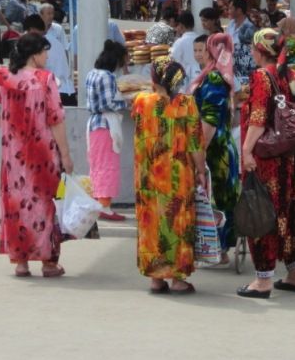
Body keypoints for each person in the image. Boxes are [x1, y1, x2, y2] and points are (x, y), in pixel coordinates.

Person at [0, 33, 73, 278]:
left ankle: (21, 263)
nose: (47, 56)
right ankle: (48, 263)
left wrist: (0, 121)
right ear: (34, 54)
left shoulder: (3, 76)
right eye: (44, 51)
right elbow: (56, 119)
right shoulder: (45, 79)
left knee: (16, 205)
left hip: (13, 156)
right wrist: (66, 155)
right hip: (42, 154)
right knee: (45, 205)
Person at [237, 28, 295, 298]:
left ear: (260, 51)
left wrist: (246, 151)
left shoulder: (262, 77)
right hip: (289, 158)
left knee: (262, 212)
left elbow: (258, 118)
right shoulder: (291, 75)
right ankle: (294, 274)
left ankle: (263, 281)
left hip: (266, 160)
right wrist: (294, 121)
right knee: (292, 212)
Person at [132, 57, 206, 294]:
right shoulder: (186, 103)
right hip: (177, 176)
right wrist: (201, 171)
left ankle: (156, 278)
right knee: (176, 221)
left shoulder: (141, 101)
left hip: (148, 177)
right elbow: (195, 144)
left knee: (151, 222)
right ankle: (177, 279)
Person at [190, 33, 240, 264]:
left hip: (215, 151)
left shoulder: (214, 79)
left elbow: (209, 121)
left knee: (215, 200)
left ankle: (218, 251)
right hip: (222, 146)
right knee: (220, 198)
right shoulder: (220, 76)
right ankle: (219, 250)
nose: (202, 54)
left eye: (206, 49)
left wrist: (198, 156)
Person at [85, 40, 129, 221]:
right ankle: (105, 205)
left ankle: (99, 203)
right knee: (108, 165)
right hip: (106, 124)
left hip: (94, 124)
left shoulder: (92, 74)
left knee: (97, 165)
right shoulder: (107, 77)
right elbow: (109, 103)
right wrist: (128, 102)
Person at [38, 3, 76, 106]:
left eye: (52, 13)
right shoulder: (36, 32)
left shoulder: (58, 29)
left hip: (61, 78)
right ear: (41, 14)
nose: (51, 16)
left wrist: (67, 69)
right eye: (48, 13)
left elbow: (65, 49)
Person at [227, 0, 256, 80]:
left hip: (244, 68)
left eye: (231, 8)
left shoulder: (249, 27)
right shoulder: (231, 24)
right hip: (230, 65)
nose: (228, 11)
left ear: (239, 10)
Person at [170, 10, 200, 86]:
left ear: (181, 26)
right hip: (201, 76)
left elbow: (173, 59)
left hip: (186, 79)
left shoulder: (180, 42)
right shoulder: (201, 39)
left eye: (177, 25)